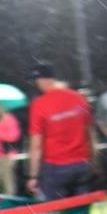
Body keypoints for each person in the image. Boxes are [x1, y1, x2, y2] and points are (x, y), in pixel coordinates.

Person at [25, 61, 94, 199]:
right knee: (81, 212)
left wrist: (33, 175)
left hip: (56, 167)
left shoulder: (39, 104)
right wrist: (94, 162)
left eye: (36, 81)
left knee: (53, 212)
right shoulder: (78, 98)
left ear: (41, 80)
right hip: (82, 164)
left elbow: (36, 145)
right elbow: (90, 134)